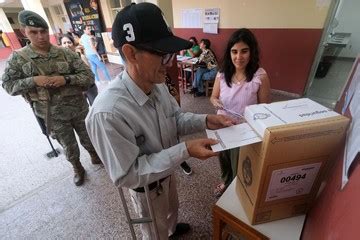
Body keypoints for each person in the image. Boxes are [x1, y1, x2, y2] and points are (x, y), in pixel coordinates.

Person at [85, 3, 235, 239]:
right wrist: (184, 150)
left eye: (170, 53)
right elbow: (128, 174)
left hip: (167, 173)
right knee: (154, 231)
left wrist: (206, 120)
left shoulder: (157, 86)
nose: (170, 62)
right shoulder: (108, 113)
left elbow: (175, 119)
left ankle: (172, 229)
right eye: (162, 54)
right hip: (145, 188)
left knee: (171, 213)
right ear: (131, 53)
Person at [1, 10, 102, 187]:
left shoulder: (65, 53)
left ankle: (95, 156)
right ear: (25, 32)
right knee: (68, 146)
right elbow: (8, 86)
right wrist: (33, 81)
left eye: (43, 31)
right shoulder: (18, 59)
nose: (40, 36)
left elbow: (88, 77)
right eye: (34, 32)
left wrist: (66, 79)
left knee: (90, 136)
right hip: (52, 114)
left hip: (78, 108)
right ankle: (78, 168)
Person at [210, 28, 271, 198]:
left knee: (240, 161)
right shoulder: (222, 74)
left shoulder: (260, 76)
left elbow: (264, 108)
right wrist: (216, 102)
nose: (239, 57)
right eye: (234, 52)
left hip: (245, 129)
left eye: (244, 51)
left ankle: (237, 187)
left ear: (252, 52)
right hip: (223, 124)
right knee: (224, 157)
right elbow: (213, 97)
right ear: (229, 52)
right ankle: (226, 181)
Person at [60, 34, 98, 105]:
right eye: (64, 43)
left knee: (95, 108)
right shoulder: (61, 61)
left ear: (73, 44)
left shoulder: (81, 57)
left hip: (89, 88)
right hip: (75, 91)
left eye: (69, 42)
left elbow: (89, 74)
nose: (67, 45)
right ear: (61, 45)